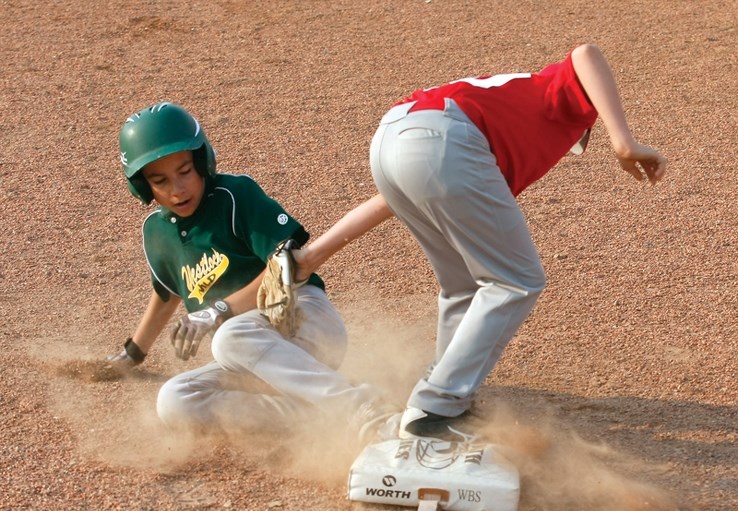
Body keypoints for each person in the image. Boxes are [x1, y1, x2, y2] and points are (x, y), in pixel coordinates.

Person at [293, 44, 667, 442]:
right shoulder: (548, 93)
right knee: (516, 279)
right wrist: (623, 141)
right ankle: (435, 407)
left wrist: (314, 255)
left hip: (394, 142)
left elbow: (407, 182)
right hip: (447, 139)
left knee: (465, 286)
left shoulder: (503, 119)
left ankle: (447, 399)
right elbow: (586, 55)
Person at [108, 102, 392, 442]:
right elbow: (165, 293)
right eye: (159, 180)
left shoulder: (234, 195)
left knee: (229, 336)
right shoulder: (156, 233)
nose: (177, 188)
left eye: (185, 171)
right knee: (175, 399)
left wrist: (218, 311)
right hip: (252, 357)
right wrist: (133, 354)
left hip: (304, 321)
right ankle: (317, 419)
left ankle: (362, 409)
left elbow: (284, 267)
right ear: (142, 186)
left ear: (202, 162)